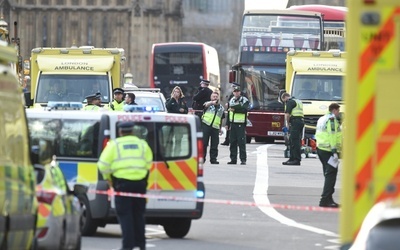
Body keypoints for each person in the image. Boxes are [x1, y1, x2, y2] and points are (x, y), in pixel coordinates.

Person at [97, 121, 153, 250]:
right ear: (133, 131)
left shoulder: (114, 145)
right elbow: (149, 162)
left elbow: (102, 165)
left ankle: (127, 246)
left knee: (125, 215)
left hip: (122, 185)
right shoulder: (142, 144)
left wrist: (108, 179)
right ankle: (141, 245)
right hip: (140, 184)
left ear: (120, 132)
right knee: (138, 215)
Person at [316, 103, 342, 208]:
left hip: (321, 149)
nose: (339, 113)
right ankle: (325, 199)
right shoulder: (331, 120)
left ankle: (329, 198)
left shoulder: (322, 119)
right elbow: (332, 135)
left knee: (328, 174)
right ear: (334, 110)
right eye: (338, 111)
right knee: (331, 175)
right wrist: (334, 151)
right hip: (328, 150)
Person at [227, 86, 250, 165]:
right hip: (233, 124)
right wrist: (227, 124)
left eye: (238, 91)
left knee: (241, 142)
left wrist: (235, 109)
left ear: (240, 92)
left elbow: (244, 109)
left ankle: (243, 159)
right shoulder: (232, 99)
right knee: (232, 142)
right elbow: (229, 112)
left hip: (240, 123)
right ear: (233, 92)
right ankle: (233, 159)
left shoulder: (244, 100)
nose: (236, 93)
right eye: (235, 91)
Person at [281, 92, 304, 166]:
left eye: (284, 101)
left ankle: (296, 159)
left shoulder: (290, 102)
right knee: (293, 140)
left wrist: (287, 124)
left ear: (285, 98)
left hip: (295, 122)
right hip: (300, 121)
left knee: (294, 141)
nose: (285, 103)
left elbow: (287, 114)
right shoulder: (298, 101)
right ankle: (292, 158)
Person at [202, 92, 225, 164]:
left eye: (216, 97)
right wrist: (212, 102)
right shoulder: (208, 104)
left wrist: (220, 128)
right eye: (213, 96)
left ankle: (213, 159)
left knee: (214, 144)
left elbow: (222, 118)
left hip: (215, 127)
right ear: (211, 97)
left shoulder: (221, 107)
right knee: (204, 143)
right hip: (206, 125)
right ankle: (202, 158)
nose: (215, 98)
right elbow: (205, 106)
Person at [165, 86, 188, 156]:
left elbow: (186, 111)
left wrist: (184, 110)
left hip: (179, 124)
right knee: (169, 140)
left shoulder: (183, 101)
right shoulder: (169, 100)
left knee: (178, 140)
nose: (176, 93)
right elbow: (168, 107)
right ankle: (168, 154)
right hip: (171, 123)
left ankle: (177, 154)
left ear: (180, 93)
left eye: (178, 92)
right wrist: (173, 99)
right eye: (175, 92)